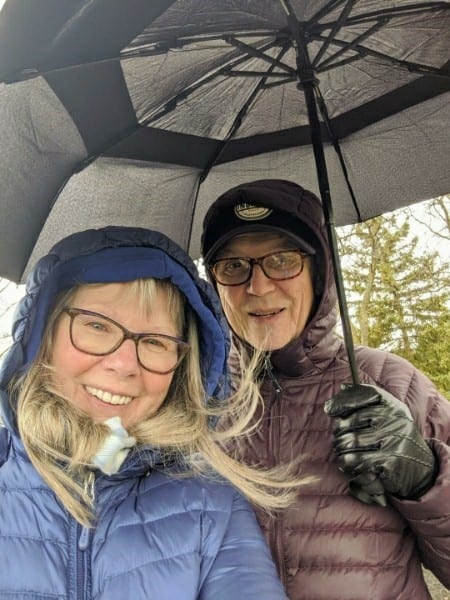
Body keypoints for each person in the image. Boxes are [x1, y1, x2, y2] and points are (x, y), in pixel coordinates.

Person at [0, 225, 298, 599]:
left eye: (155, 341)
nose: (124, 364)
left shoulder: (211, 508)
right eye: (97, 325)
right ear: (44, 335)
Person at [201, 179, 450, 600]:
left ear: (320, 271)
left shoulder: (389, 381)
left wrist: (425, 480)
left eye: (281, 260)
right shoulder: (199, 398)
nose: (258, 287)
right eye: (233, 266)